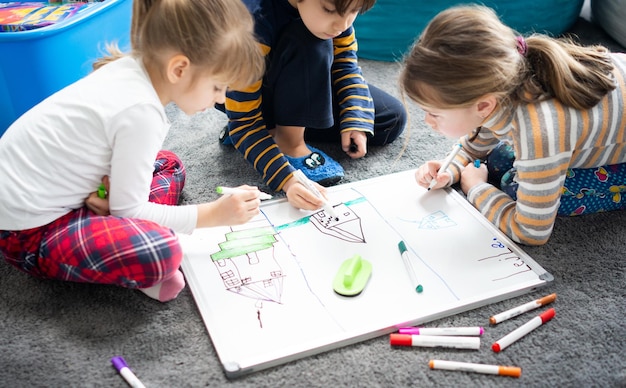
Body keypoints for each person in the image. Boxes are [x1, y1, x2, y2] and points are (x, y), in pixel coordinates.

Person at [0, 0, 265, 302]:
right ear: (179, 69)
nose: (219, 99)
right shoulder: (141, 112)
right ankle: (129, 252)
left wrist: (117, 203)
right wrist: (212, 215)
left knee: (169, 165)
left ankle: (110, 219)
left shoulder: (132, 71)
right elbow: (130, 210)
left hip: (58, 194)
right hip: (28, 234)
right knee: (163, 251)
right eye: (217, 86)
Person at [400, 5, 626, 246]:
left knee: (517, 186)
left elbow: (531, 231)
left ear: (483, 106)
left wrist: (476, 187)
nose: (427, 122)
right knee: (499, 159)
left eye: (434, 113)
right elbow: (474, 146)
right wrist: (450, 169)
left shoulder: (537, 132)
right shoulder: (503, 82)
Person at [218, 0, 407, 212]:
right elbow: (243, 121)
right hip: (250, 95)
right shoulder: (253, 24)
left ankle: (268, 134)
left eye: (353, 11)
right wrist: (287, 179)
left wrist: (355, 118)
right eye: (329, 10)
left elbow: (345, 62)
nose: (342, 25)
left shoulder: (337, 18)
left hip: (301, 79)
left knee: (390, 119)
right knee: (310, 40)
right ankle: (288, 142)